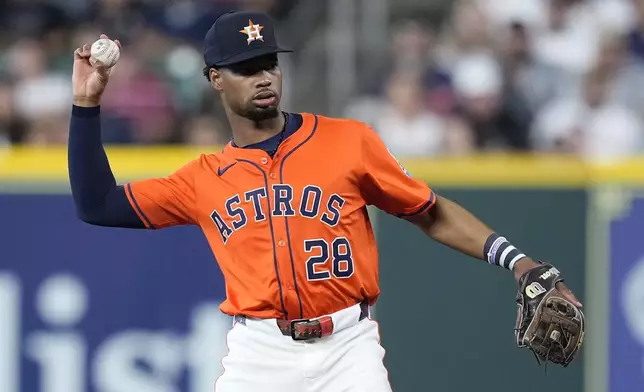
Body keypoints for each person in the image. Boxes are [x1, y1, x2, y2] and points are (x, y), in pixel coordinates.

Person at [68, 11, 583, 392]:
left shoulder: (348, 142)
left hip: (347, 349)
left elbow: (431, 211)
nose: (264, 76)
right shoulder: (203, 179)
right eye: (247, 67)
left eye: (269, 63)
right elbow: (97, 204)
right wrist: (86, 106)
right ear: (215, 79)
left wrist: (516, 261)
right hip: (259, 354)